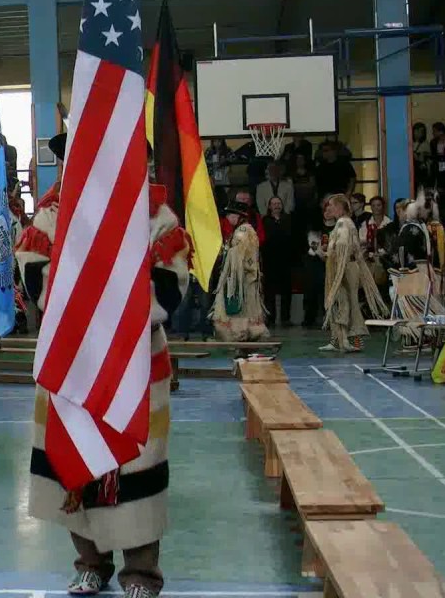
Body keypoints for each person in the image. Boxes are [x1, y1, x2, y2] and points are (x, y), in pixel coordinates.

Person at [17, 133, 189, 598]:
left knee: (135, 464)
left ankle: (141, 573)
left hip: (134, 365)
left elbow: (171, 286)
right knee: (74, 460)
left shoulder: (156, 216)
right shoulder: (53, 214)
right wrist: (91, 297)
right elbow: (35, 273)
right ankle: (90, 562)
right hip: (69, 364)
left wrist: (104, 300)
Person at [320, 194, 386, 352]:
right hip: (347, 266)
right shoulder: (345, 223)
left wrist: (334, 259)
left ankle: (351, 340)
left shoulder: (343, 222)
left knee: (347, 302)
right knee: (341, 301)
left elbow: (343, 245)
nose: (330, 209)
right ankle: (338, 339)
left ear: (340, 207)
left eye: (332, 205)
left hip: (345, 268)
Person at [211, 222, 270, 341]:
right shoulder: (232, 250)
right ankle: (238, 333)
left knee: (245, 311)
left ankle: (244, 333)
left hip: (247, 288)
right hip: (232, 285)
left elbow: (252, 269)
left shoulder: (247, 243)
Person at [261, 196, 297, 327]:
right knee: (269, 291)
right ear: (269, 206)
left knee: (286, 291)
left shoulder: (288, 219)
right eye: (274, 203)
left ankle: (285, 318)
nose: (276, 205)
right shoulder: (265, 220)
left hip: (285, 260)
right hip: (269, 260)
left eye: (279, 203)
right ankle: (270, 318)